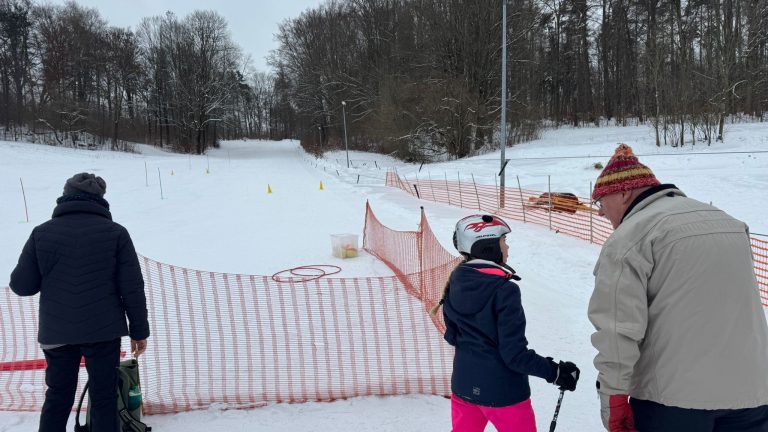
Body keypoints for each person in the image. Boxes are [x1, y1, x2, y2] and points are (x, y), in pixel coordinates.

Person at [589, 144, 768, 432]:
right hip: (754, 395)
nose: (600, 213)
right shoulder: (729, 223)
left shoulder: (629, 238)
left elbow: (617, 331)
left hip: (672, 403)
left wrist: (614, 399)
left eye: (600, 202)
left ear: (623, 193)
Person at [10, 173, 150, 432]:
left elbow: (21, 286)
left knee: (58, 395)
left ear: (65, 195)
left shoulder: (41, 233)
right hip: (103, 332)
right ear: (100, 199)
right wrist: (139, 332)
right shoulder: (116, 233)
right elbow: (132, 288)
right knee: (104, 396)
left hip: (57, 332)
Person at [432, 214, 580, 432]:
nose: (507, 248)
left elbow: (452, 335)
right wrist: (555, 372)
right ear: (488, 248)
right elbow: (514, 355)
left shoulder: (455, 280)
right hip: (504, 393)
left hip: (463, 387)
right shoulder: (505, 290)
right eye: (503, 242)